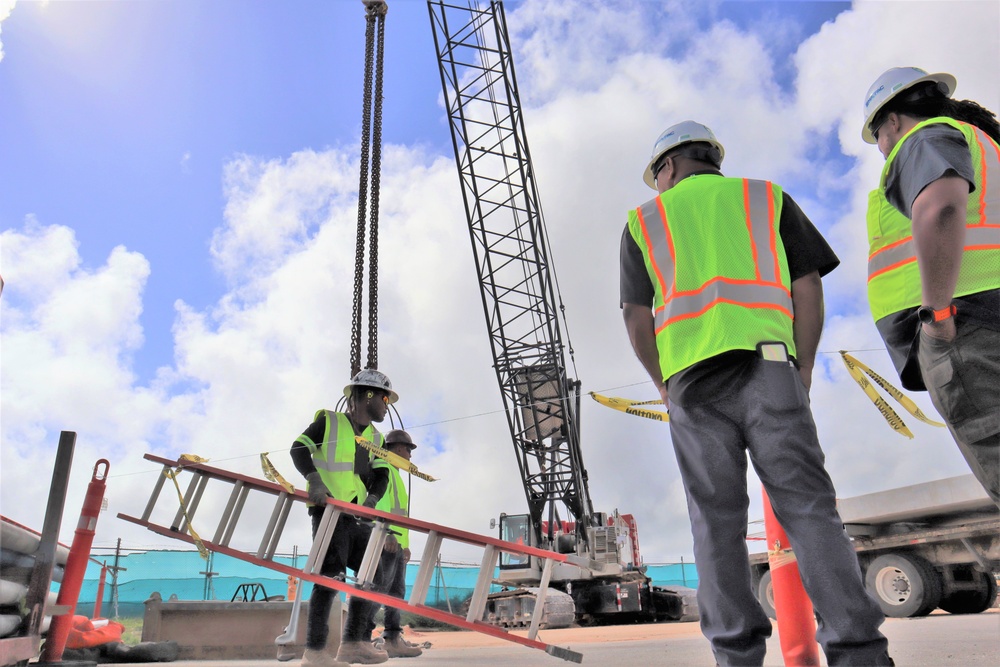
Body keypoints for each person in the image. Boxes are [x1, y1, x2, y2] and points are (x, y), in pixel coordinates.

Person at [620, 120, 892, 666]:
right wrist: (804, 366)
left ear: (668, 166)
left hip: (692, 387)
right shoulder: (765, 198)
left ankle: (736, 657)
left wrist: (662, 384)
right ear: (710, 157)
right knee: (810, 510)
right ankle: (859, 653)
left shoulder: (643, 222)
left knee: (715, 524)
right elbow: (807, 283)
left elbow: (635, 314)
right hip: (771, 368)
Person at [861, 66, 1000, 506]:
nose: (883, 149)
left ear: (894, 121)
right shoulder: (983, 146)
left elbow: (940, 209)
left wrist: (937, 316)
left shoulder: (923, 139)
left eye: (879, 136)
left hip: (965, 327)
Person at [290, 369, 399, 666]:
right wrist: (313, 479)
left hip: (357, 517)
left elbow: (381, 474)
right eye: (384, 397)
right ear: (366, 394)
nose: (387, 405)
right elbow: (299, 448)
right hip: (329, 513)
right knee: (329, 577)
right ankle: (314, 652)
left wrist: (372, 500)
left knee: (372, 576)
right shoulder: (330, 422)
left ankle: (353, 644)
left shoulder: (375, 436)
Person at [368, 429, 423, 658]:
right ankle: (361, 636)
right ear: (398, 448)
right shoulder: (384, 469)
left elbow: (401, 516)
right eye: (408, 450)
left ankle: (392, 638)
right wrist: (386, 533)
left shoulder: (396, 475)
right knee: (378, 589)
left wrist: (405, 543)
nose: (410, 456)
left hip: (396, 544)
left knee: (396, 591)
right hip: (386, 541)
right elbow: (380, 506)